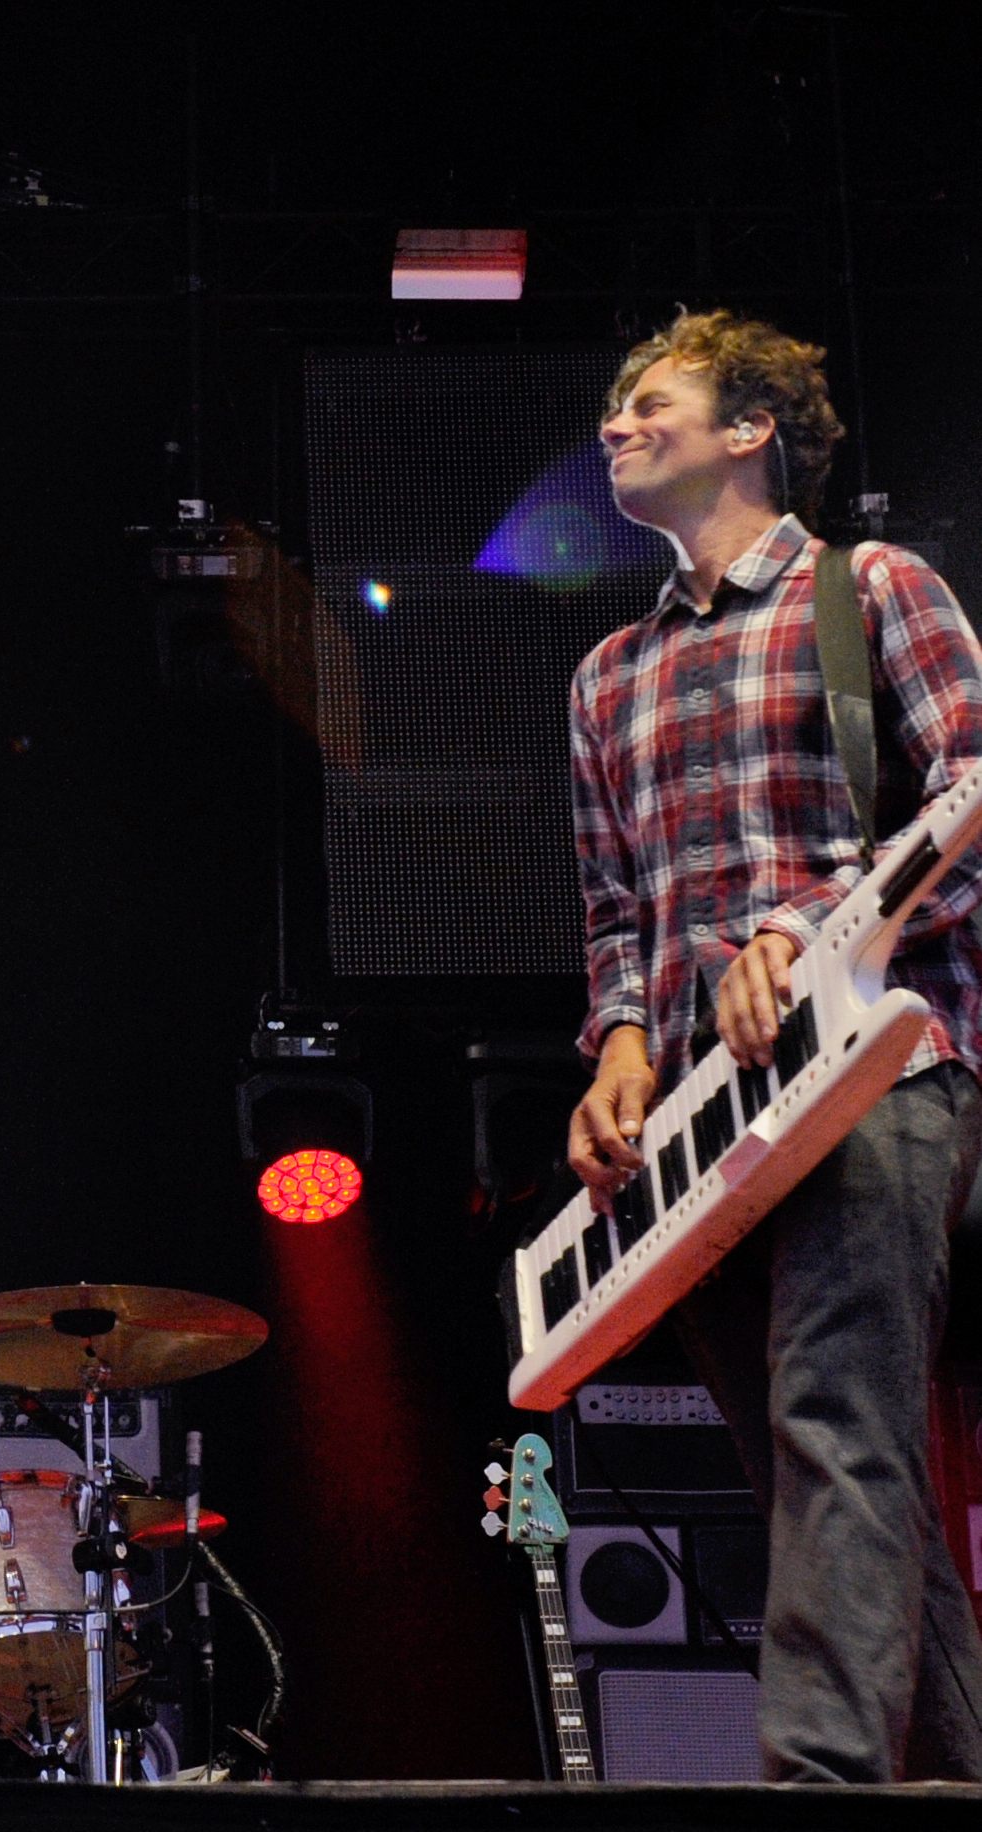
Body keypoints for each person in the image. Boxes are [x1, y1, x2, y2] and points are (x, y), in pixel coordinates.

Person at [565, 311, 982, 1781]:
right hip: (701, 1122)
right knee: (819, 1472)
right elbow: (617, 912)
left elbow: (973, 810)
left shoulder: (867, 587)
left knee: (832, 1432)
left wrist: (802, 930)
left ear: (748, 429)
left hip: (874, 1070)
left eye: (646, 400)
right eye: (610, 409)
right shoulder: (604, 675)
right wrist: (617, 1048)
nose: (612, 425)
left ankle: (808, 1790)